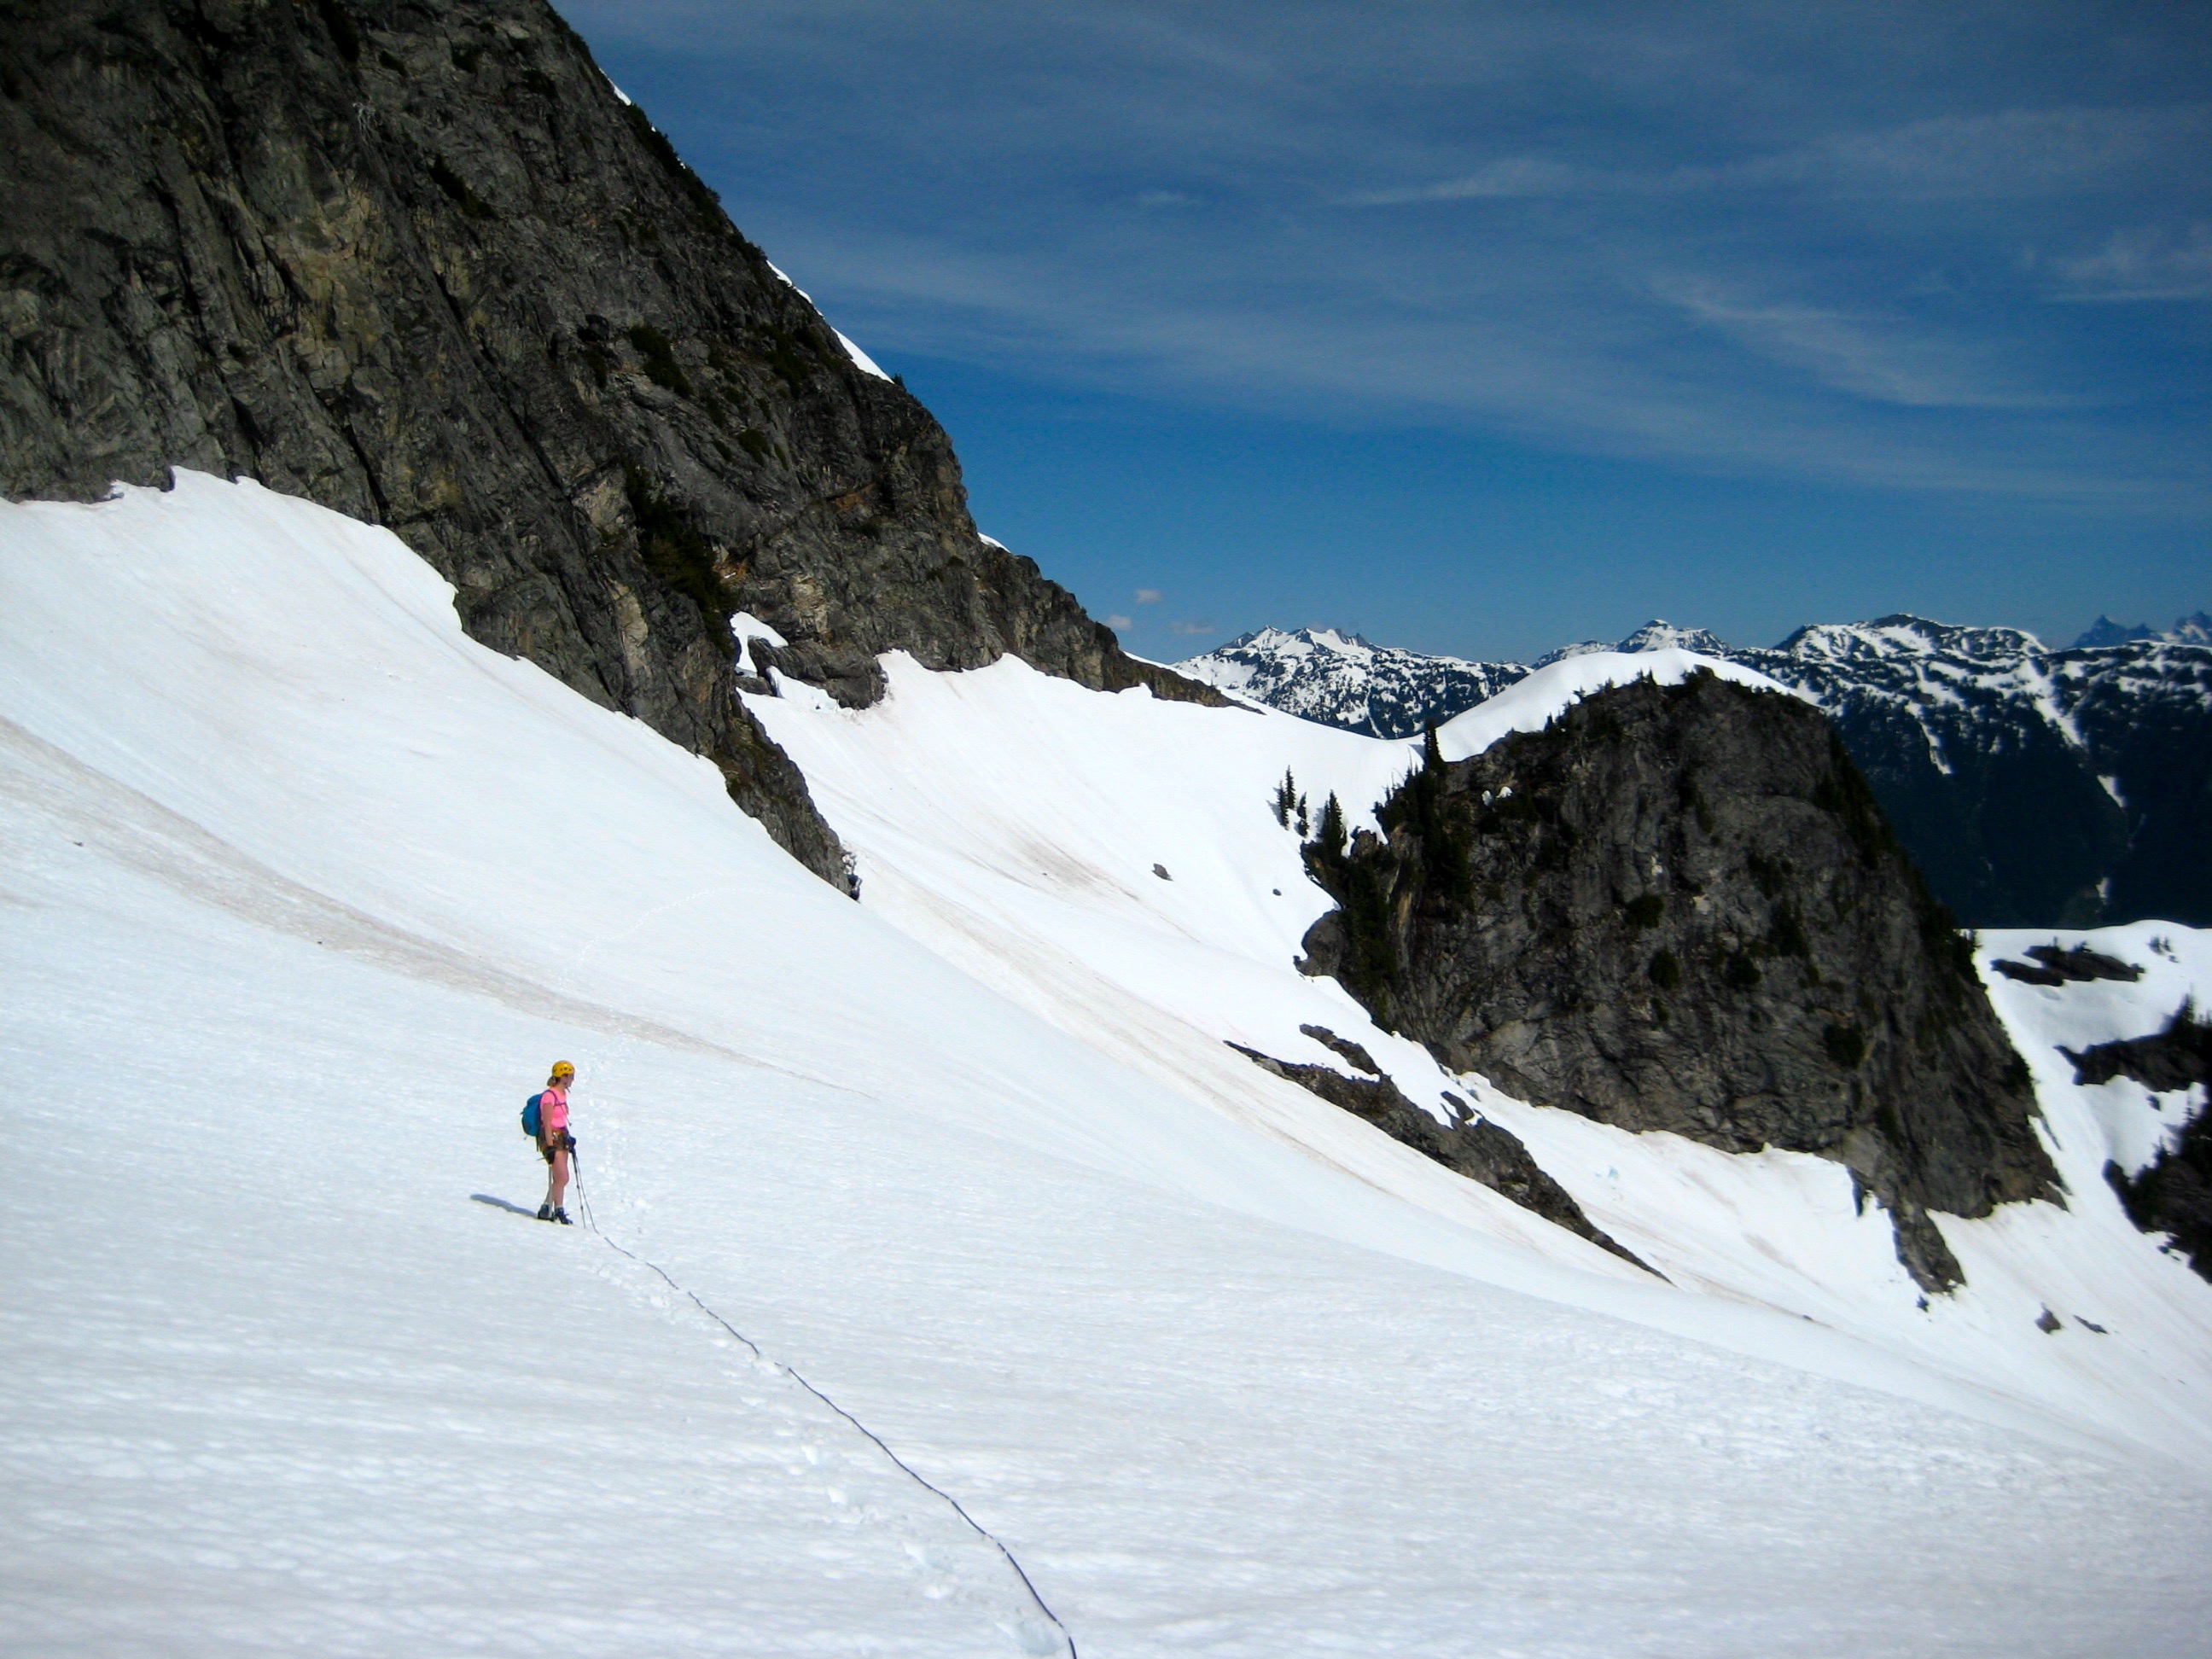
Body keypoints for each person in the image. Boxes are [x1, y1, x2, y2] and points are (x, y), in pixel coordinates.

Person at [537, 1061, 576, 1224]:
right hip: (551, 1138)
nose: (573, 1080)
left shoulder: (562, 1095)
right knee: (562, 1178)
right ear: (564, 1078)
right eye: (571, 1077)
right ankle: (558, 1209)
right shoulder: (549, 1096)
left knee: (560, 1177)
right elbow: (547, 1122)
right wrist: (550, 1146)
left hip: (561, 1136)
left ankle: (547, 1207)